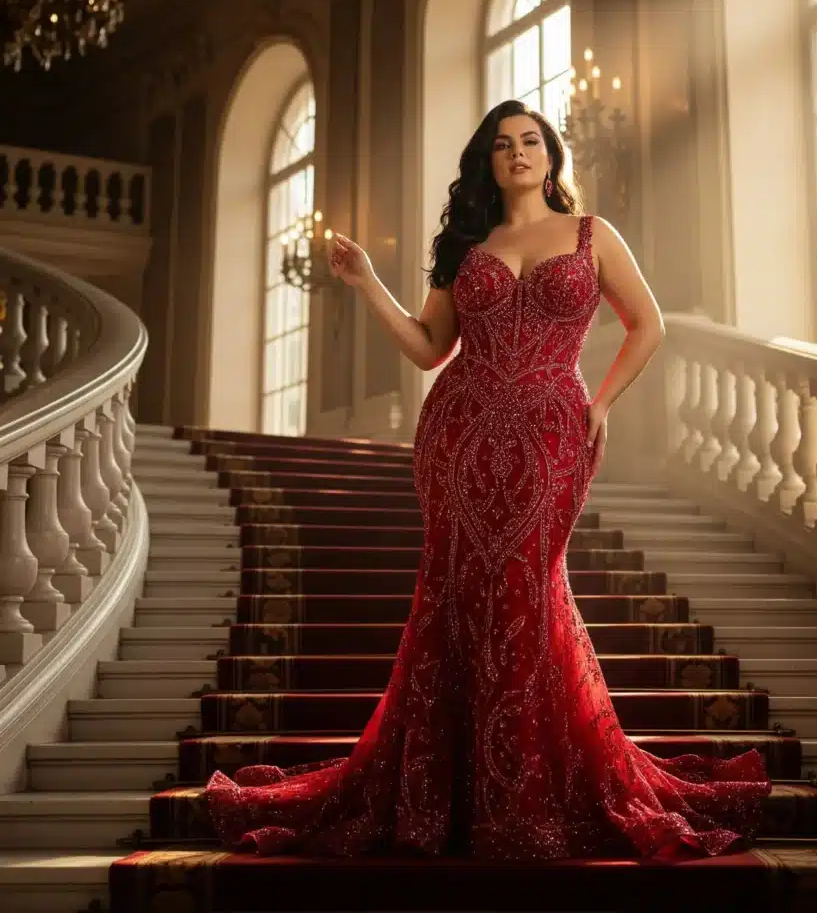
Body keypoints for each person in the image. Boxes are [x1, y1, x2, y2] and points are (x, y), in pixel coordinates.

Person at [202, 99, 771, 861]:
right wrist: (369, 282)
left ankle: (525, 788)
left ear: (552, 153)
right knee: (457, 597)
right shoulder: (469, 242)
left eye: (531, 141)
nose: (519, 154)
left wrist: (600, 405)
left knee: (527, 591)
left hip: (551, 431)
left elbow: (650, 325)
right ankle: (452, 791)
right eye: (503, 145)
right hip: (460, 435)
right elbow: (429, 346)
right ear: (488, 161)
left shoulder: (592, 235)